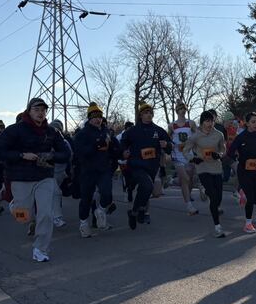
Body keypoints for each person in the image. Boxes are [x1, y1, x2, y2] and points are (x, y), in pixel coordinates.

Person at [0, 98, 70, 262]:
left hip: (45, 177)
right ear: (29, 111)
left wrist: (51, 156)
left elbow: (66, 154)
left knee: (46, 214)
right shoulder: (14, 130)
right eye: (37, 109)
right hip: (21, 177)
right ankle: (14, 205)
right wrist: (22, 155)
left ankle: (40, 249)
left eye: (43, 110)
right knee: (25, 217)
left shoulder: (52, 132)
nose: (40, 113)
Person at [120, 102, 173, 230]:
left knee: (148, 190)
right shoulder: (132, 131)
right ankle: (141, 210)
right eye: (145, 113)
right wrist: (123, 152)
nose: (148, 115)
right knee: (147, 185)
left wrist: (166, 145)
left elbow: (170, 146)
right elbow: (122, 143)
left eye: (150, 113)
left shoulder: (158, 130)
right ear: (140, 115)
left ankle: (134, 212)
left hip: (152, 167)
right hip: (136, 165)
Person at [74, 103, 120, 237]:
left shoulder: (107, 132)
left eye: (99, 116)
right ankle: (83, 224)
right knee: (86, 199)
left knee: (106, 193)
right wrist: (95, 145)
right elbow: (80, 152)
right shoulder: (83, 134)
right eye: (94, 117)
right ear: (89, 118)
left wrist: (119, 152)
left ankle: (100, 211)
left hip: (104, 168)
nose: (97, 119)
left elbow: (113, 148)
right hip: (87, 170)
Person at [185, 110, 227, 237]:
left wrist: (219, 155)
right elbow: (186, 151)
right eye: (207, 121)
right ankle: (217, 227)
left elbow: (223, 149)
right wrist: (192, 158)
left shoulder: (219, 134)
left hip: (216, 168)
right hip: (203, 168)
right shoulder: (195, 136)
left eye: (212, 121)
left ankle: (205, 191)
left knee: (218, 198)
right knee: (214, 197)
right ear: (202, 122)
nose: (210, 123)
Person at [227, 112, 256, 234]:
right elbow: (230, 152)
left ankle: (242, 193)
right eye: (253, 122)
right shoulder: (241, 137)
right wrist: (237, 157)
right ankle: (248, 224)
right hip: (244, 171)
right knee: (250, 198)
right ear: (247, 123)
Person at [169, 100, 199, 215]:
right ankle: (189, 206)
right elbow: (168, 139)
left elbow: (197, 136)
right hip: (177, 155)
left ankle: (173, 181)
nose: (182, 111)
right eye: (180, 109)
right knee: (185, 179)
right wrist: (171, 146)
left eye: (184, 109)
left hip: (189, 154)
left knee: (190, 179)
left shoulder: (191, 123)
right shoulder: (172, 125)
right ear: (177, 111)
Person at [49, 120, 72, 228]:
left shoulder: (64, 142)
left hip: (60, 173)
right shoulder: (45, 141)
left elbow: (69, 157)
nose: (56, 131)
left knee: (54, 195)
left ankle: (53, 216)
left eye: (58, 129)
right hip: (48, 173)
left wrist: (68, 172)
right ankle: (56, 218)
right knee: (55, 193)